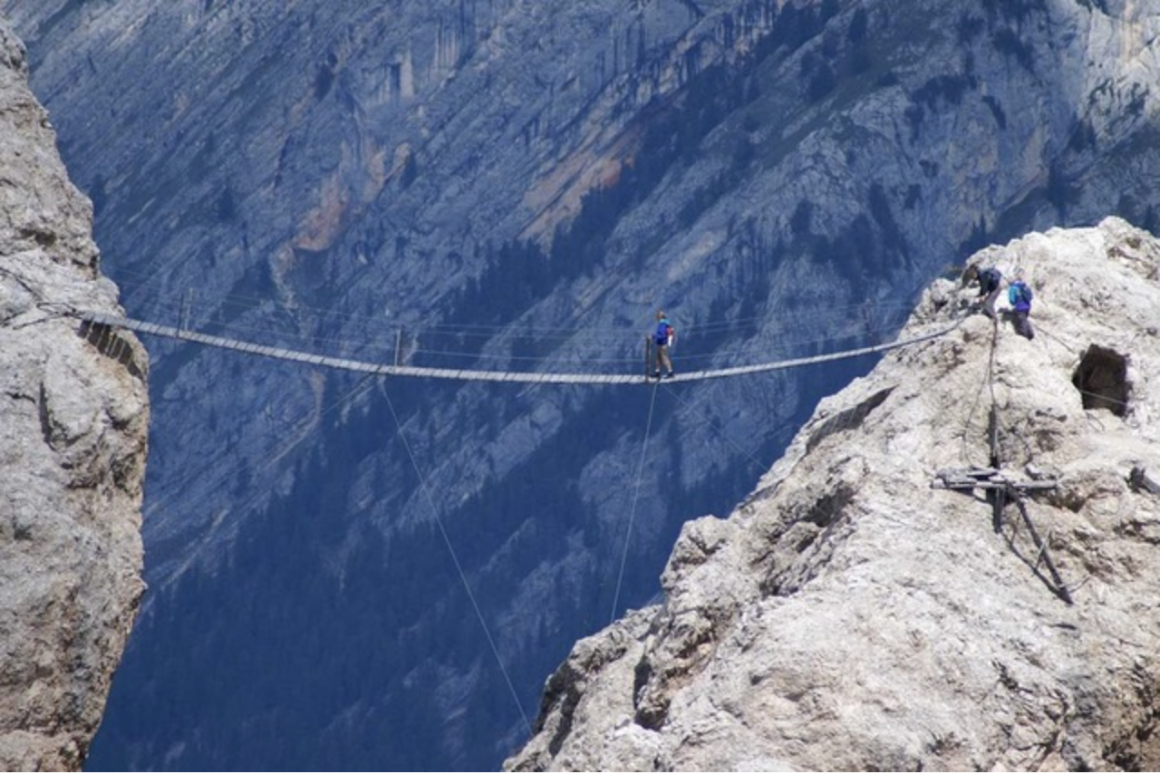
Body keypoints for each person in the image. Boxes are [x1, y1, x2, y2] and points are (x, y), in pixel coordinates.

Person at [652, 310, 675, 379]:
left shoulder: (662, 325)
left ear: (659, 317)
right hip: (661, 344)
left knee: (664, 358)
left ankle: (670, 372)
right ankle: (657, 372)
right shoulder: (666, 324)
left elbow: (661, 335)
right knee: (658, 358)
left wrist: (653, 336)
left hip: (662, 344)